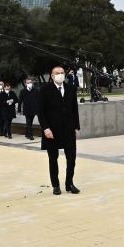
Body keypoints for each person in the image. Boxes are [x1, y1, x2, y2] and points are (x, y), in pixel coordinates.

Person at [38, 66, 81, 195]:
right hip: (52, 130)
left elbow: (75, 109)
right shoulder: (45, 90)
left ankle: (69, 183)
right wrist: (46, 128)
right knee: (53, 158)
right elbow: (41, 112)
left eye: (62, 73)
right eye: (57, 73)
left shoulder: (70, 88)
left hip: (68, 128)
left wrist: (76, 127)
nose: (60, 75)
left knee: (71, 157)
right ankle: (55, 185)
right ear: (52, 76)